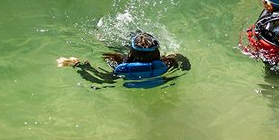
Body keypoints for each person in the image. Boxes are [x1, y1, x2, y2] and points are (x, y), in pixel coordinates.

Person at [57, 32, 191, 88]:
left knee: (113, 47)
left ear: (131, 52)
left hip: (126, 59)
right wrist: (176, 56)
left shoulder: (121, 67)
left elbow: (99, 79)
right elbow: (185, 64)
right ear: (157, 51)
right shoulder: (166, 64)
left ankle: (100, 36)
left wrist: (79, 65)